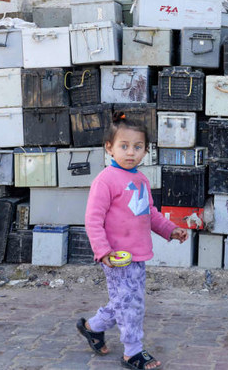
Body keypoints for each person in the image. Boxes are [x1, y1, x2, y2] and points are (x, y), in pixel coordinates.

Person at [76, 113, 188, 370]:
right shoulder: (105, 181)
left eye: (137, 147)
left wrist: (171, 231)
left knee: (124, 301)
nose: (130, 153)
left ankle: (92, 327)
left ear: (146, 151)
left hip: (137, 256)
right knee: (131, 305)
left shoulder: (141, 179)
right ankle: (132, 352)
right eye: (123, 146)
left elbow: (149, 214)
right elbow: (93, 220)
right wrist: (102, 251)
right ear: (109, 148)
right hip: (116, 258)